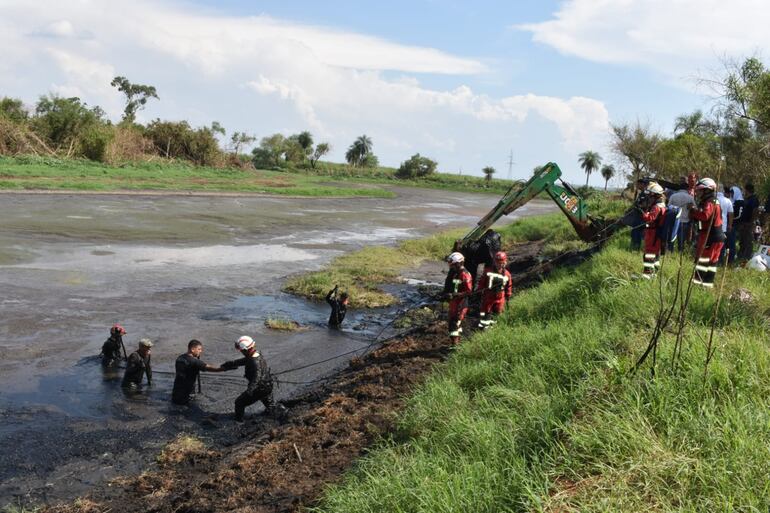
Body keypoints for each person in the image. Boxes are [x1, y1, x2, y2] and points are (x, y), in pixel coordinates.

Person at [222, 335, 286, 422]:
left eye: (241, 350)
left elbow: (257, 377)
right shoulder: (257, 354)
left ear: (245, 350)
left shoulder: (253, 361)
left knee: (239, 402)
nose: (240, 352)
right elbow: (245, 361)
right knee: (270, 405)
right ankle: (282, 413)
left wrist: (249, 391)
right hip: (267, 385)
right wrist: (231, 363)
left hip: (259, 388)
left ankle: (238, 421)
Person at [689, 178, 725, 288]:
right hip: (714, 237)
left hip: (710, 237)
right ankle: (706, 286)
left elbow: (705, 216)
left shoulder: (710, 202)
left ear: (707, 190)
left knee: (703, 262)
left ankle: (697, 286)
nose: (699, 193)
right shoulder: (711, 201)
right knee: (711, 263)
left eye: (700, 190)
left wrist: (693, 211)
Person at [171, 339, 227, 406]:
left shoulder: (179, 358)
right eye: (199, 349)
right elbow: (212, 368)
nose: (201, 351)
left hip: (176, 393)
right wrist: (225, 368)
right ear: (192, 349)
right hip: (187, 396)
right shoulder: (195, 362)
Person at [477, 251, 512, 329]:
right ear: (494, 262)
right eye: (498, 262)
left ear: (505, 262)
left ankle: (494, 329)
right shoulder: (488, 271)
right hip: (488, 297)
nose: (499, 264)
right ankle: (483, 330)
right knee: (486, 314)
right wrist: (479, 291)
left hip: (500, 298)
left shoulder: (507, 274)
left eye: (501, 263)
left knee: (497, 315)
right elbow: (482, 282)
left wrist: (508, 295)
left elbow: (509, 286)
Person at [443, 252, 473, 345]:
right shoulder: (456, 273)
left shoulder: (465, 275)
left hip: (461, 304)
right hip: (454, 303)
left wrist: (455, 295)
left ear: (458, 263)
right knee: (453, 323)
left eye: (453, 265)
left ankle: (455, 346)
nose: (451, 267)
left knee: (454, 324)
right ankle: (457, 343)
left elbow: (469, 292)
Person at [640, 182, 667, 279]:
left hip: (653, 234)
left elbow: (649, 218)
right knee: (655, 255)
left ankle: (647, 276)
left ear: (655, 196)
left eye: (650, 196)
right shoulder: (662, 205)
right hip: (657, 234)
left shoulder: (656, 207)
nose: (649, 198)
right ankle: (654, 275)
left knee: (649, 254)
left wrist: (644, 213)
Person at [667, 179, 695, 252]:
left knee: (672, 238)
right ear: (687, 189)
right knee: (681, 240)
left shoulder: (673, 196)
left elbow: (668, 207)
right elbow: (694, 208)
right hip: (684, 221)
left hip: (674, 220)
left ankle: (670, 251)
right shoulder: (690, 198)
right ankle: (680, 253)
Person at [736, 183, 759, 260]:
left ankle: (747, 257)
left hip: (748, 224)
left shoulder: (754, 199)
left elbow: (755, 211)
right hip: (743, 224)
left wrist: (751, 223)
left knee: (748, 241)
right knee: (742, 241)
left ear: (747, 190)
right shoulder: (747, 199)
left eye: (744, 190)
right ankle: (741, 256)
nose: (744, 192)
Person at [718, 185, 735, 263]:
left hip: (711, 226)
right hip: (723, 226)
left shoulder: (712, 199)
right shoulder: (727, 201)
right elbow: (731, 214)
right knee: (721, 244)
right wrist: (730, 225)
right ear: (723, 191)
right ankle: (720, 261)